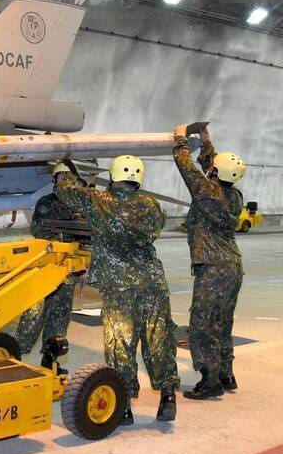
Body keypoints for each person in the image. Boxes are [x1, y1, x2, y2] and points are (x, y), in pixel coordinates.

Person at [55, 156, 179, 423]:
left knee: (120, 343)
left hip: (119, 286)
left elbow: (64, 192)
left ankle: (124, 407)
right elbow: (157, 226)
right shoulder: (151, 205)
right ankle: (168, 395)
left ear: (112, 175)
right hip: (153, 284)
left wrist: (63, 173)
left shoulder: (98, 200)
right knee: (158, 339)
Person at [173, 124, 245, 399]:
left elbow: (187, 168)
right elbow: (213, 172)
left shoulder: (207, 192)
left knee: (202, 326)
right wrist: (207, 143)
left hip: (213, 268)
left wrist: (181, 139)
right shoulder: (233, 196)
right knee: (222, 322)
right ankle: (226, 374)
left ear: (215, 172)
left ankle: (209, 380)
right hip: (232, 267)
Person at [13, 162, 86, 373]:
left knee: (60, 317)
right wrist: (60, 238)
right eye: (61, 178)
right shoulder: (47, 202)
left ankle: (50, 360)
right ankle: (17, 358)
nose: (66, 181)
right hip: (46, 267)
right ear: (54, 181)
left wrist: (82, 267)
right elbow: (38, 229)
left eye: (68, 178)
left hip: (68, 269)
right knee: (33, 315)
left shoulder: (79, 204)